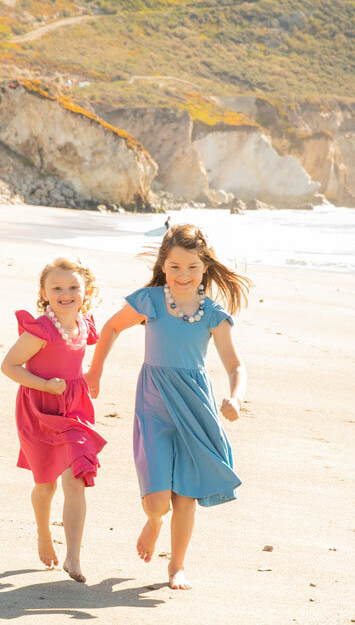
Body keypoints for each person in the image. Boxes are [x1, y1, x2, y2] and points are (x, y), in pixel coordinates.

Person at [85, 224, 250, 590]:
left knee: (186, 495)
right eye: (174, 267)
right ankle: (155, 521)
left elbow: (235, 365)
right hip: (155, 403)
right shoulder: (152, 301)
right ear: (163, 266)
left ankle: (177, 566)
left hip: (195, 407)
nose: (183, 275)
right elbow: (111, 328)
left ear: (204, 267)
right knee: (158, 501)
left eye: (191, 267)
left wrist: (236, 397)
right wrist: (95, 371)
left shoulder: (213, 315)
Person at [1, 257, 105, 584]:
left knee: (76, 478)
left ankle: (73, 556)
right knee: (45, 484)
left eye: (73, 286)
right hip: (38, 409)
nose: (66, 293)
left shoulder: (85, 324)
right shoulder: (42, 329)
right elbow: (9, 366)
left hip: (73, 407)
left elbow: (78, 361)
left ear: (86, 290)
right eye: (57, 288)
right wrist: (46, 385)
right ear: (44, 293)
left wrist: (90, 378)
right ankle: (44, 533)